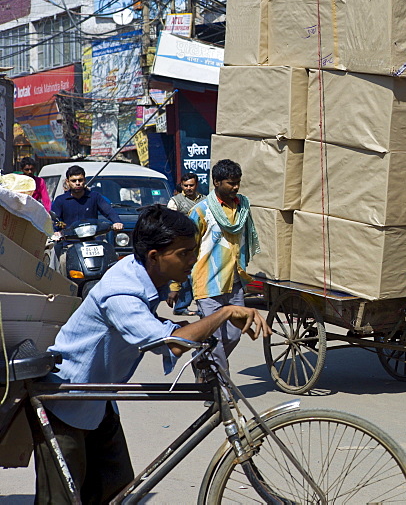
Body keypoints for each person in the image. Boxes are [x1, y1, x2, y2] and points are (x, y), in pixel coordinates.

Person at [29, 205, 270, 503]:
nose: (192, 261)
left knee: (117, 491)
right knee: (61, 499)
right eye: (184, 253)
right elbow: (172, 344)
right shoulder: (121, 292)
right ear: (155, 256)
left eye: (193, 251)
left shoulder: (140, 275)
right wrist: (223, 313)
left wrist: (178, 326)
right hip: (63, 403)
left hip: (97, 400)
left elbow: (155, 328)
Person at [189, 159, 259, 373]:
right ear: (216, 182)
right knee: (216, 338)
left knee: (235, 334)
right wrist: (175, 285)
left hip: (234, 280)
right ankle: (221, 388)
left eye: (238, 182)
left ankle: (201, 360)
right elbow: (188, 246)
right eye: (230, 183)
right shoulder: (200, 211)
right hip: (207, 282)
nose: (236, 187)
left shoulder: (242, 207)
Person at [164, 173, 205, 317]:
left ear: (196, 185)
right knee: (185, 276)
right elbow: (169, 222)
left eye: (191, 185)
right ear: (181, 186)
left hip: (201, 244)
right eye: (186, 185)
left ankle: (202, 306)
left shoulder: (204, 200)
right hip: (182, 244)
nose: (189, 188)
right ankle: (181, 307)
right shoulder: (176, 201)